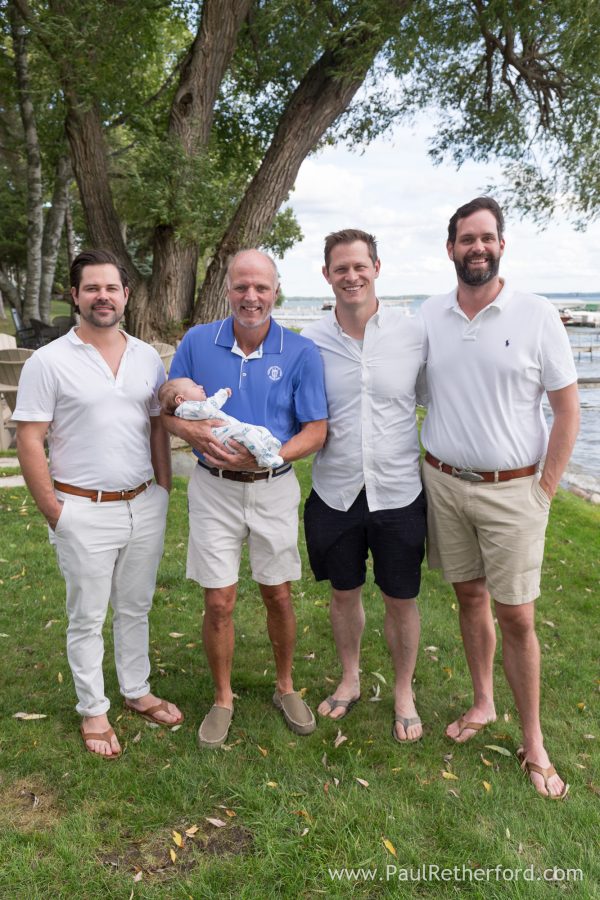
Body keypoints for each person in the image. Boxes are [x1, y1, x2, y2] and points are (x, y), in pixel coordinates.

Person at [420, 197, 579, 797]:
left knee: (517, 614)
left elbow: (567, 411)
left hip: (515, 490)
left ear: (501, 245)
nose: (477, 248)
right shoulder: (430, 315)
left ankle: (534, 740)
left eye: (487, 238)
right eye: (466, 239)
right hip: (443, 481)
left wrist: (545, 488)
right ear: (451, 247)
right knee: (468, 596)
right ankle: (482, 703)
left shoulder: (537, 315)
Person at [14, 249, 182, 759]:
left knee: (136, 606)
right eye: (92, 288)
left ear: (126, 296)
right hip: (81, 509)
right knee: (87, 616)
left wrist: (164, 487)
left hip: (143, 503)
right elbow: (29, 439)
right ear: (75, 295)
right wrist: (55, 512)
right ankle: (93, 707)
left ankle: (136, 691)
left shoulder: (147, 357)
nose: (102, 296)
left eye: (112, 288)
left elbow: (156, 424)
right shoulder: (49, 361)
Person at [162, 249, 328, 749]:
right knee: (219, 600)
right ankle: (223, 697)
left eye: (261, 287)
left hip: (273, 489)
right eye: (241, 287)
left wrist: (272, 457)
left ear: (276, 290)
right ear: (228, 289)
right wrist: (195, 436)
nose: (250, 297)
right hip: (214, 490)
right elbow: (168, 412)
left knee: (277, 593)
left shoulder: (300, 351)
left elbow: (316, 429)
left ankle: (284, 687)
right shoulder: (196, 342)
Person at [302, 229, 427, 743]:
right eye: (340, 268)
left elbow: (432, 398)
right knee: (343, 593)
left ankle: (403, 691)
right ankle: (350, 678)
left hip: (398, 490)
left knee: (401, 597)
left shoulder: (412, 333)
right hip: (335, 490)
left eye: (360, 266)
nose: (351, 276)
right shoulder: (309, 342)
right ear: (327, 275)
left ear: (377, 267)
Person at [159, 378, 284, 468]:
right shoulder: (185, 408)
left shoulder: (192, 408)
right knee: (247, 432)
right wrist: (222, 394)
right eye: (194, 386)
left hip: (227, 431)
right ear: (180, 399)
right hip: (221, 437)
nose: (201, 386)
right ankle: (263, 456)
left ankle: (268, 445)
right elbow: (208, 408)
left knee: (259, 429)